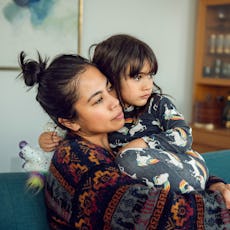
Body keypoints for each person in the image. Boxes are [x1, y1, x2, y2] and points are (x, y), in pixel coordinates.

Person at [19, 51, 230, 229]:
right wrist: (222, 204)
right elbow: (168, 217)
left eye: (110, 87)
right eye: (98, 100)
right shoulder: (76, 162)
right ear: (70, 122)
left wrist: (216, 185)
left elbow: (168, 167)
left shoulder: (119, 139)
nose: (114, 102)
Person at [40, 34, 223, 195]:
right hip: (165, 181)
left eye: (150, 75)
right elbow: (62, 129)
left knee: (128, 158)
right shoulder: (80, 156)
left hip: (188, 165)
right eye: (137, 77)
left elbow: (184, 135)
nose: (147, 85)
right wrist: (46, 138)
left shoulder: (156, 104)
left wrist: (143, 143)